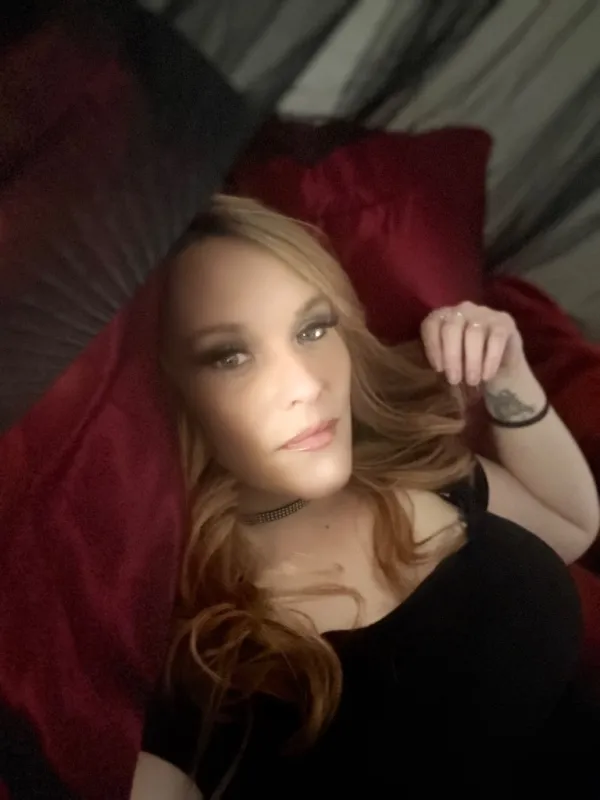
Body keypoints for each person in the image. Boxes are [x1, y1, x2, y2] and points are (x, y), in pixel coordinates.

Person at [130, 195, 599, 799]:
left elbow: (567, 525)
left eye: (312, 328)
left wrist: (509, 374)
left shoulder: (406, 467)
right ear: (162, 388)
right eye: (231, 356)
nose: (307, 383)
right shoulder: (186, 658)